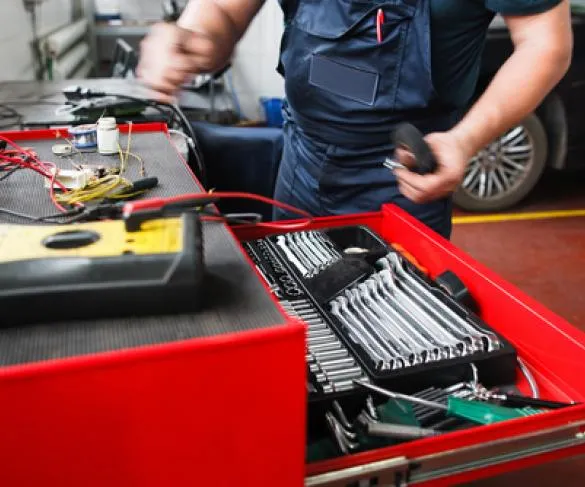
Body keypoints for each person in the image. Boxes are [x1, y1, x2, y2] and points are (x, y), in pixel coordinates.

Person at [137, 0, 572, 239]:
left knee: (395, 336)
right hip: (301, 162)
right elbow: (224, 10)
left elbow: (544, 43)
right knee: (296, 308)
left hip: (402, 179)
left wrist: (465, 140)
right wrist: (192, 37)